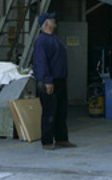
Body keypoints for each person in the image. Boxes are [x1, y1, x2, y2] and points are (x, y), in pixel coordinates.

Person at [32, 12, 76, 150]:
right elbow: (41, 62)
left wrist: (64, 76)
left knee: (61, 111)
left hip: (60, 79)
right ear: (47, 24)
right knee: (50, 111)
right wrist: (47, 81)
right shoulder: (41, 41)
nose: (54, 22)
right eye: (52, 20)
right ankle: (47, 140)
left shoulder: (55, 39)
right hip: (50, 81)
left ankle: (61, 138)